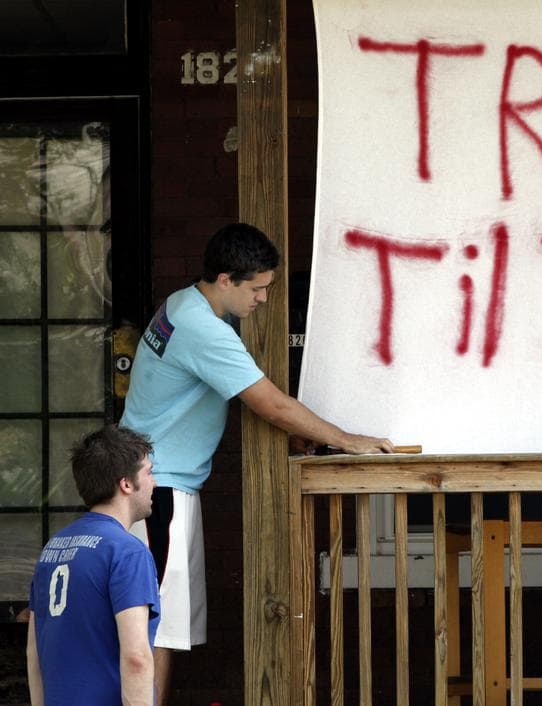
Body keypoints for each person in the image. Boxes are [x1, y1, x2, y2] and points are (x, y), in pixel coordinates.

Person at [120, 222, 394, 704]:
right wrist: (348, 440)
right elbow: (271, 403)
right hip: (158, 490)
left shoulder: (182, 305)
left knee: (156, 624)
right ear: (226, 279)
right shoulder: (204, 327)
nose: (265, 299)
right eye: (258, 288)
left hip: (150, 480)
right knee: (157, 628)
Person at [26, 425, 160, 705]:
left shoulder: (51, 549)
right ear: (126, 483)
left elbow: (34, 653)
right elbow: (136, 657)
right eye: (148, 472)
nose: (154, 483)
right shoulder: (128, 552)